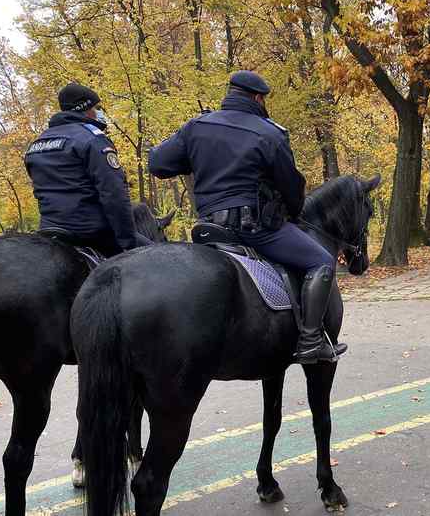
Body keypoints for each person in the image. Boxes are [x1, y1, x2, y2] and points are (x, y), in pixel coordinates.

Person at [148, 71, 345, 364]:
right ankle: (310, 340)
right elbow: (292, 187)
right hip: (256, 230)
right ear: (257, 98)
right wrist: (290, 214)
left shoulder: (197, 126)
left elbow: (157, 163)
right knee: (321, 261)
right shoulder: (269, 133)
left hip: (208, 228)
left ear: (230, 94)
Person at [24, 82, 146, 257]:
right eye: (97, 107)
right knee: (159, 258)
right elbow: (114, 193)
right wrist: (128, 242)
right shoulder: (92, 139)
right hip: (89, 232)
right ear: (84, 108)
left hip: (49, 230)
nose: (100, 112)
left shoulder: (36, 144)